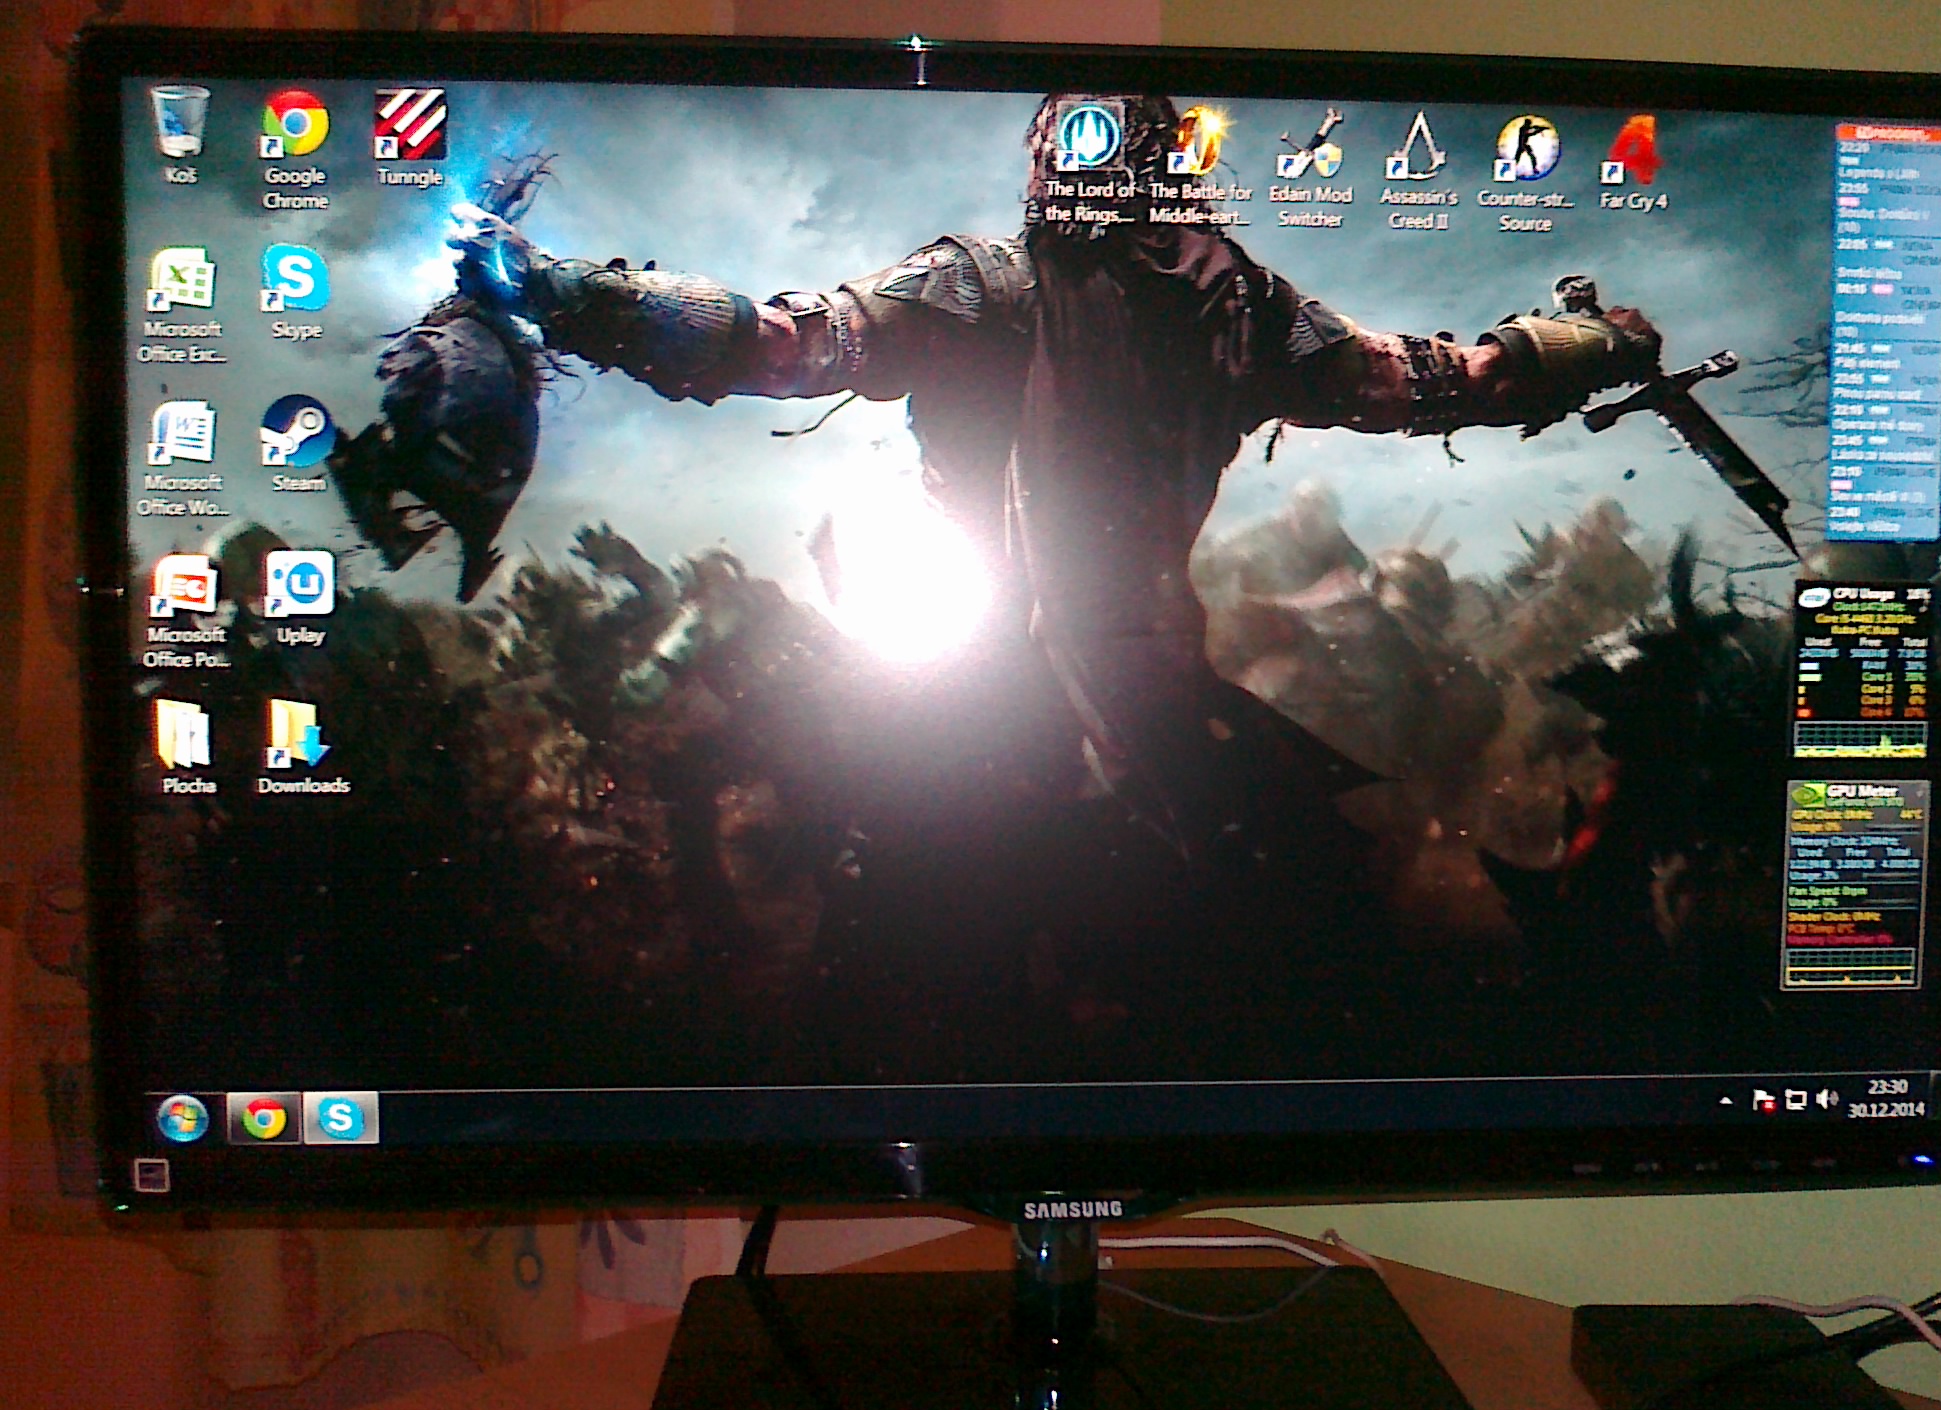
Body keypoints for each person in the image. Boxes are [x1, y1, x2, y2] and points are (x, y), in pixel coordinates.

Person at [449, 93, 1661, 872]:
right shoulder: (1238, 308)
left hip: (995, 708)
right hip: (1134, 698)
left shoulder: (993, 283)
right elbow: (1438, 380)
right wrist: (1585, 345)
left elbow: (777, 348)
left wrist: (561, 294)